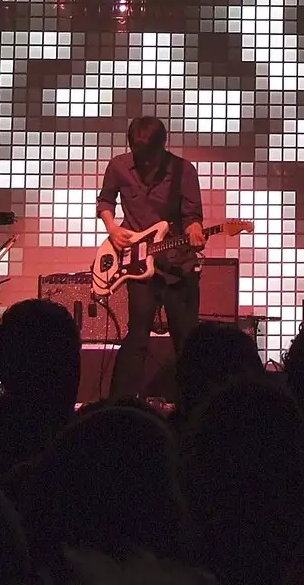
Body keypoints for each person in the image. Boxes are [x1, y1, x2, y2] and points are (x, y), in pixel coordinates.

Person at [97, 116, 205, 401]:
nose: (144, 165)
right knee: (137, 339)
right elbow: (105, 201)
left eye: (150, 158)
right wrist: (113, 228)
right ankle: (119, 404)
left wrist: (194, 228)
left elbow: (192, 216)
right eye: (139, 157)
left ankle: (192, 405)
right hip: (138, 264)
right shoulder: (119, 166)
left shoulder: (184, 171)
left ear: (163, 146)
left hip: (177, 265)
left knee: (186, 341)